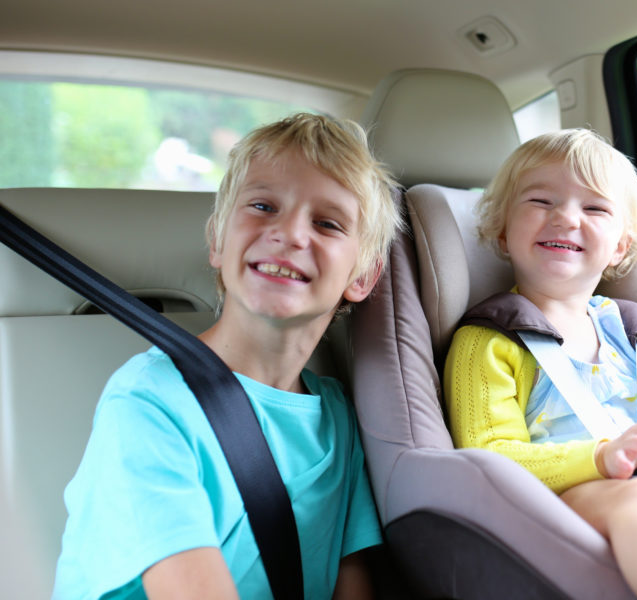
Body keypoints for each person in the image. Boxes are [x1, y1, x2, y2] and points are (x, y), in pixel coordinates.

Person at [53, 113, 401, 600]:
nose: (292, 234)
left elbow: (353, 582)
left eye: (327, 223)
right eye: (263, 206)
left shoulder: (340, 417)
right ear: (217, 239)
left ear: (362, 276)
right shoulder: (148, 402)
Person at [444, 129, 637, 600]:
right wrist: (599, 457)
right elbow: (489, 458)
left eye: (594, 209)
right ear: (502, 230)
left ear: (619, 246)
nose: (566, 218)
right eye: (540, 201)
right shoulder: (490, 340)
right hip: (568, 498)